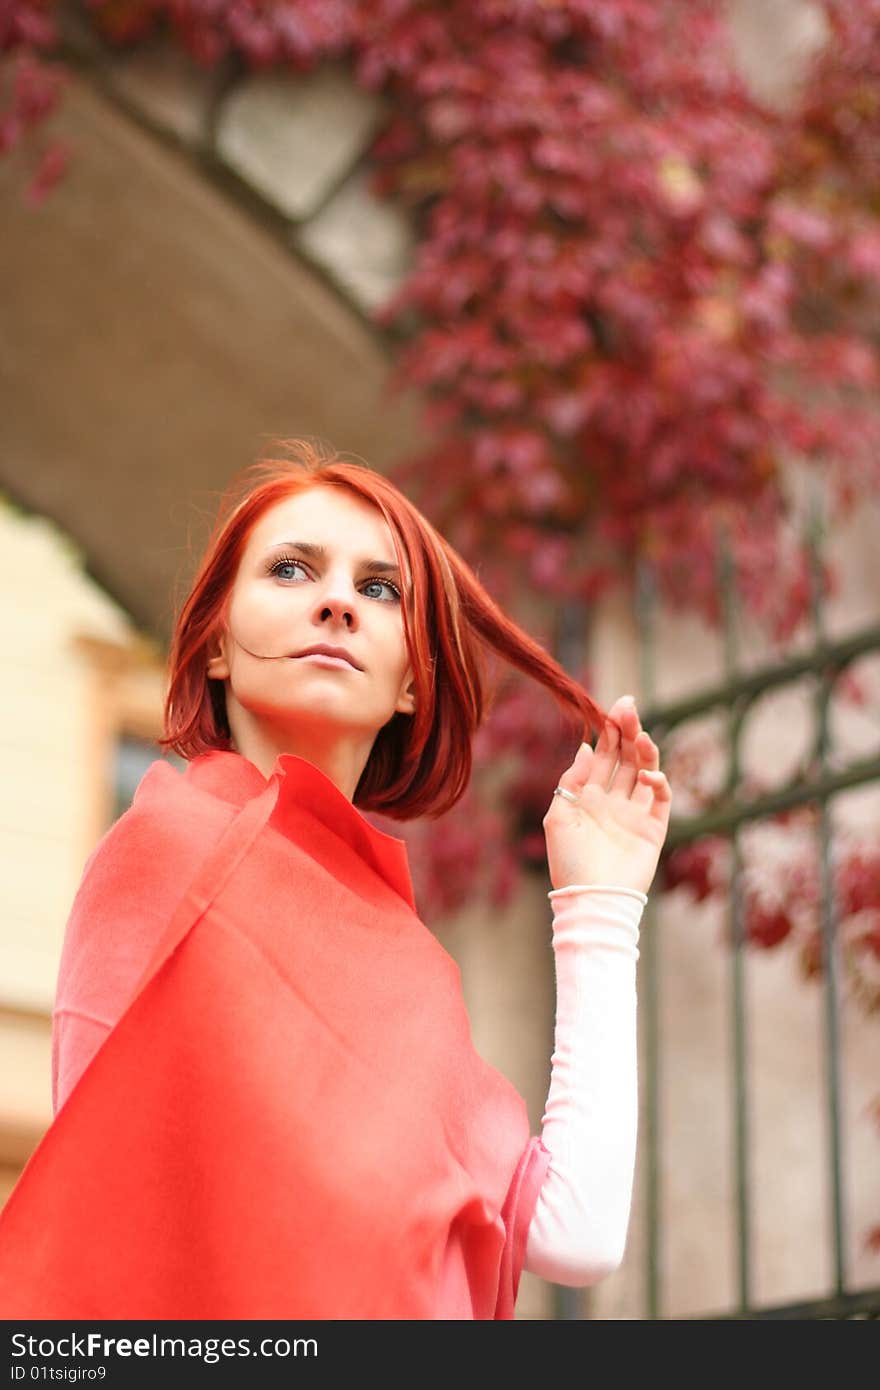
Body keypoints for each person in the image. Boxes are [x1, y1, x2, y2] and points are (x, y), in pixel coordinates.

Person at [0, 439, 671, 1320]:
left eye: (379, 589)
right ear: (214, 646)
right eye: (290, 570)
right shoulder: (163, 848)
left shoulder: (411, 966)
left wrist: (601, 906)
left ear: (410, 683)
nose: (337, 603)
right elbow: (114, 1214)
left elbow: (574, 1234)